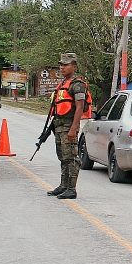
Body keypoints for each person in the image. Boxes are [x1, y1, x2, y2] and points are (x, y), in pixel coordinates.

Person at [47, 53, 90, 200]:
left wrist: (73, 128)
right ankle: (63, 186)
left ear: (74, 66)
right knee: (63, 157)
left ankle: (71, 189)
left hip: (68, 127)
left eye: (66, 64)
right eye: (61, 64)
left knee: (71, 158)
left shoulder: (77, 85)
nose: (62, 67)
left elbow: (79, 107)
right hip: (59, 127)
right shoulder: (63, 84)